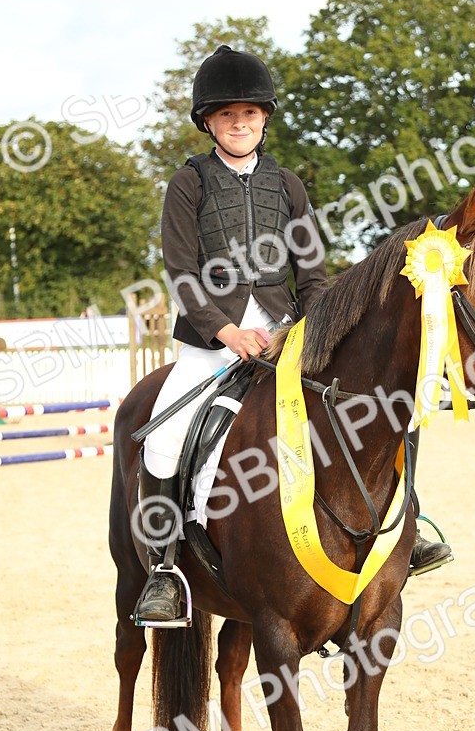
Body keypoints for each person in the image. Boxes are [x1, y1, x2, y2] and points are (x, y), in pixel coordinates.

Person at [136, 45, 451, 625]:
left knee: (378, 411)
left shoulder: (288, 185)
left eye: (250, 113)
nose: (239, 123)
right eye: (227, 114)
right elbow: (180, 271)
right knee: (164, 437)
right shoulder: (188, 183)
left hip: (288, 336)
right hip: (211, 343)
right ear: (208, 121)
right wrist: (226, 331)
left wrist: (316, 332)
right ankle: (164, 569)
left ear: (264, 119)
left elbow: (312, 274)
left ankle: (408, 529)